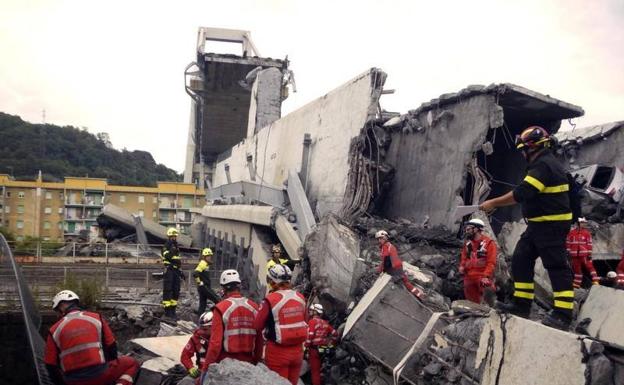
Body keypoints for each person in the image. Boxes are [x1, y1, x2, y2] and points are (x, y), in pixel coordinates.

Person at [480, 126, 575, 330]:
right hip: (538, 225)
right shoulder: (544, 163)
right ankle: (521, 305)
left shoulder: (543, 166)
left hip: (551, 225)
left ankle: (563, 315)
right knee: (521, 260)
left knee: (556, 267)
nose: (522, 153)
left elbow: (522, 193)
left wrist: (493, 203)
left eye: (523, 149)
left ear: (532, 148)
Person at [44, 290, 140, 385]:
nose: (58, 314)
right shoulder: (96, 318)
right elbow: (111, 347)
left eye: (57, 310)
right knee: (132, 363)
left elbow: (50, 365)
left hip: (72, 381)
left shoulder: (54, 330)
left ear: (61, 306)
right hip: (101, 375)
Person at [254, 264, 307, 385]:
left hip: (277, 353)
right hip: (298, 352)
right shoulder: (300, 297)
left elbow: (257, 326)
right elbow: (305, 320)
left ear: (273, 281)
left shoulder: (270, 299)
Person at [201, 270, 259, 375]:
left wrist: (205, 369)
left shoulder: (220, 308)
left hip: (227, 363)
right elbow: (260, 339)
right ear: (239, 286)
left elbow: (215, 344)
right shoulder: (254, 307)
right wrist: (256, 361)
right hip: (249, 362)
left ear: (223, 288)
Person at [375, 230, 424, 298]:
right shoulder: (391, 246)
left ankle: (403, 298)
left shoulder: (385, 247)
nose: (380, 240)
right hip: (399, 267)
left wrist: (380, 270)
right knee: (406, 282)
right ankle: (419, 295)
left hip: (393, 269)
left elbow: (385, 261)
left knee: (391, 284)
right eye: (379, 239)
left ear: (385, 238)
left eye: (381, 238)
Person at [459, 218, 497, 304]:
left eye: (468, 229)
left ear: (476, 229)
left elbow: (491, 262)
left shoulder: (489, 243)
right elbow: (464, 257)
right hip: (469, 276)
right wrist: (462, 266)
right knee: (472, 303)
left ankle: (491, 310)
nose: (466, 231)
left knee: (488, 292)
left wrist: (485, 276)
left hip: (482, 276)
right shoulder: (468, 243)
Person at [305, 304, 337, 385]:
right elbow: (335, 334)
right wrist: (331, 345)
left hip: (314, 350)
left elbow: (310, 335)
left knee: (314, 371)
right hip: (322, 349)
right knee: (318, 369)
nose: (310, 312)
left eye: (312, 310)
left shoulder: (312, 321)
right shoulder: (325, 323)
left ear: (316, 312)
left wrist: (306, 346)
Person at [179, 311, 213, 385]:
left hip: (217, 373)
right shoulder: (196, 337)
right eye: (201, 328)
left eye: (205, 329)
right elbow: (185, 356)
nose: (201, 331)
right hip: (201, 371)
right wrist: (190, 367)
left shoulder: (222, 339)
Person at [566, 218, 599, 288]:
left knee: (590, 267)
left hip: (584, 255)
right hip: (574, 255)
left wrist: (589, 254)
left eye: (584, 223)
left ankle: (595, 281)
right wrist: (568, 252)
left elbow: (589, 244)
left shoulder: (587, 233)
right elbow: (568, 243)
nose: (584, 224)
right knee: (577, 270)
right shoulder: (571, 233)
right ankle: (576, 284)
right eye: (582, 223)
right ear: (578, 223)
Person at [162, 227, 183, 321]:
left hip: (176, 271)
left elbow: (178, 260)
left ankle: (173, 311)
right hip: (169, 270)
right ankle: (167, 311)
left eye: (175, 236)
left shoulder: (176, 247)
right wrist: (172, 250)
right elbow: (167, 256)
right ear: (169, 237)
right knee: (168, 290)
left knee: (176, 290)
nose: (175, 238)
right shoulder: (166, 246)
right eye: (173, 236)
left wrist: (180, 271)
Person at [194, 247, 221, 315]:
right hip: (204, 286)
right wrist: (199, 282)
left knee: (203, 304)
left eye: (210, 256)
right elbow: (195, 273)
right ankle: (219, 314)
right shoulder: (203, 263)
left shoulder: (205, 263)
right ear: (204, 257)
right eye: (208, 256)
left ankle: (200, 316)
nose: (210, 257)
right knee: (217, 299)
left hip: (202, 287)